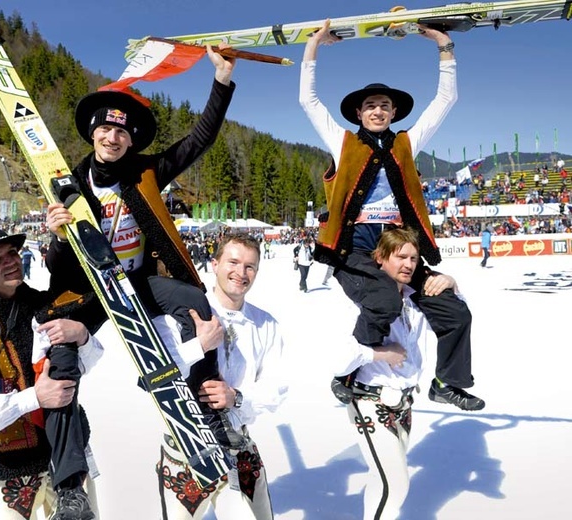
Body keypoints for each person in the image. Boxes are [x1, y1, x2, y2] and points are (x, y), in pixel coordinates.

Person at [46, 44, 245, 448]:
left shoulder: (146, 172)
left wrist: (221, 80)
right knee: (61, 352)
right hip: (93, 289)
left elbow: (199, 141)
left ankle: (210, 409)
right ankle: (68, 474)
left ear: (131, 140)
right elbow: (56, 266)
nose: (113, 137)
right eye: (106, 128)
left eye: (122, 132)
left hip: (139, 281)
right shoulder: (69, 185)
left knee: (195, 303)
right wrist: (57, 235)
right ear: (93, 132)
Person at [300, 19, 484, 411]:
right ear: (358, 113)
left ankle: (446, 382)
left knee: (455, 310)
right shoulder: (342, 142)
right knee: (384, 300)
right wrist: (313, 48)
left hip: (399, 246)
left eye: (385, 105)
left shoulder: (407, 143)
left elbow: (445, 102)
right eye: (370, 106)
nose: (378, 110)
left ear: (394, 111)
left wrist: (444, 46)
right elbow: (309, 102)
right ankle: (346, 375)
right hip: (355, 247)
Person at [0, 228, 104, 520]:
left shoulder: (42, 305)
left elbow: (84, 365)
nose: (10, 261)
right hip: (8, 467)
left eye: (12, 253)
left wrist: (82, 336)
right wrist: (35, 397)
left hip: (65, 462)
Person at [152, 233, 288, 519]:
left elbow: (277, 387)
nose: (241, 273)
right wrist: (198, 345)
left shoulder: (265, 324)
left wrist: (236, 397)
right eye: (233, 262)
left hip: (238, 446)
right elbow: (156, 378)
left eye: (250, 266)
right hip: (186, 449)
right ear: (214, 264)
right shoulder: (179, 314)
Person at [335, 228, 442, 520]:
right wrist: (383, 353)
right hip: (370, 398)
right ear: (380, 258)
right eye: (401, 257)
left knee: (380, 478)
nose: (409, 264)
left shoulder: (413, 298)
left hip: (405, 402)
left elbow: (455, 316)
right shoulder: (360, 299)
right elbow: (339, 356)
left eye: (414, 258)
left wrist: (451, 284)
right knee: (395, 484)